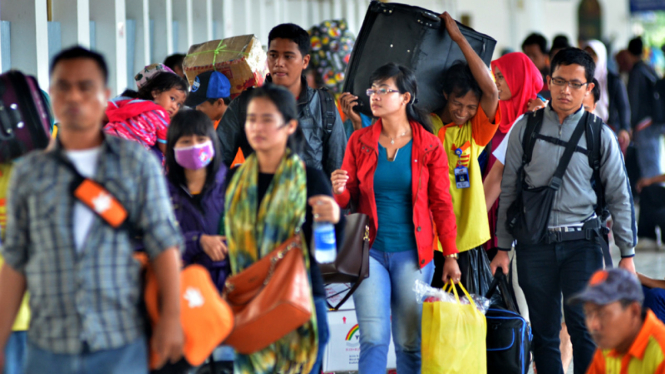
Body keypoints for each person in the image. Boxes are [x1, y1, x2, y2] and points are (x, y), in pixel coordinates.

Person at [0, 46, 185, 374]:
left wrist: (171, 317)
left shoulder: (135, 163)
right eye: (63, 87)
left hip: (119, 339)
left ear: (105, 96)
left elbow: (164, 242)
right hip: (50, 343)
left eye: (85, 87)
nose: (74, 97)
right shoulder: (31, 174)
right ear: (53, 98)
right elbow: (16, 260)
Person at [491, 47, 637, 374]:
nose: (565, 90)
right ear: (548, 81)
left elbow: (619, 195)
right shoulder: (525, 129)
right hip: (534, 246)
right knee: (543, 334)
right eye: (558, 81)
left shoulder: (600, 134)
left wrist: (627, 254)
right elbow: (509, 189)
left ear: (588, 89)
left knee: (584, 330)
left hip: (582, 244)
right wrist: (502, 248)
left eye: (574, 83)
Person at [331, 62, 460, 373]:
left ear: (405, 98)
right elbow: (347, 201)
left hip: (414, 255)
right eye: (372, 90)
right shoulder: (359, 141)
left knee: (408, 343)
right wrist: (338, 190)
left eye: (384, 90)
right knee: (373, 338)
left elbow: (442, 202)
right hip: (369, 251)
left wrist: (452, 254)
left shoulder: (429, 145)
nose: (374, 96)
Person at [224, 84, 342, 373]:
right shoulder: (235, 182)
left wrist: (333, 220)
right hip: (249, 304)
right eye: (251, 119)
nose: (257, 127)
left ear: (290, 126)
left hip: (297, 303)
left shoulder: (309, 179)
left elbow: (326, 255)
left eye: (267, 119)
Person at [217, 23, 347, 178]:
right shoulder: (245, 104)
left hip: (309, 198)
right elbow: (217, 162)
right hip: (258, 198)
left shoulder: (323, 105)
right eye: (273, 55)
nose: (279, 63)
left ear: (305, 61)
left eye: (288, 56)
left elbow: (338, 169)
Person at [429, 12, 499, 291]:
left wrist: (459, 38)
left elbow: (491, 92)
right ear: (446, 94)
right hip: (430, 236)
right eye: (458, 103)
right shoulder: (426, 125)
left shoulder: (475, 130)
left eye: (471, 107)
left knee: (468, 315)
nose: (463, 112)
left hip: (467, 238)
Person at [483, 52, 543, 256]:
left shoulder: (540, 115)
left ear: (518, 77)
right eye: (495, 76)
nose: (497, 82)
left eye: (501, 76)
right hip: (490, 202)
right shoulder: (494, 111)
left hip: (521, 212)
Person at [164, 109, 229, 292]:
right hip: (181, 288)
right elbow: (155, 239)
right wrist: (198, 241)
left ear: (213, 143)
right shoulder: (161, 191)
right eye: (186, 141)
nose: (194, 146)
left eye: (201, 140)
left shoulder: (232, 185)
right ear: (173, 147)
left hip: (227, 287)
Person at [572, 268, 665, 374]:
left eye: (602, 314)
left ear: (634, 311)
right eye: (589, 314)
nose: (593, 325)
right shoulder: (609, 346)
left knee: (654, 295)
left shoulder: (660, 352)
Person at [104, 65, 188, 155]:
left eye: (179, 104)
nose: (175, 106)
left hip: (109, 136)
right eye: (172, 98)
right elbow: (165, 146)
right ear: (155, 92)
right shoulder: (161, 114)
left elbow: (110, 112)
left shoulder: (134, 102)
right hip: (129, 150)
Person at [184, 71, 245, 167]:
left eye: (201, 105)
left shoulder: (233, 130)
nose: (197, 110)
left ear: (219, 103)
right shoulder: (215, 124)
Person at [627, 37, 664, 181]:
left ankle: (653, 199)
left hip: (643, 125)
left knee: (649, 166)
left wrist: (630, 125)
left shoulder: (636, 72)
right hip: (655, 121)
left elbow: (633, 101)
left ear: (629, 54)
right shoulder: (650, 69)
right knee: (654, 160)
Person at [583, 40, 631, 153]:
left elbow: (623, 106)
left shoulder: (613, 80)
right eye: (586, 54)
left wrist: (625, 128)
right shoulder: (579, 79)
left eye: (593, 54)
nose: (589, 58)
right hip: (584, 129)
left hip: (609, 128)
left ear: (601, 55)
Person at [522, 32, 551, 100]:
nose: (529, 60)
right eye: (527, 55)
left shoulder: (553, 81)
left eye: (534, 56)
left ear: (545, 56)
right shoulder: (521, 82)